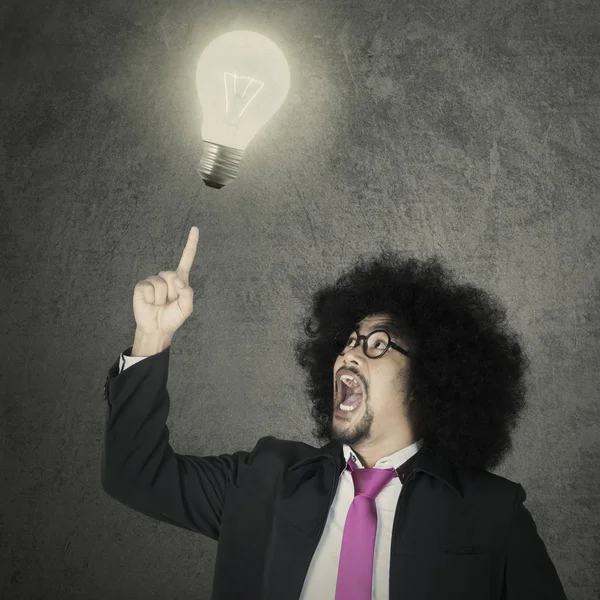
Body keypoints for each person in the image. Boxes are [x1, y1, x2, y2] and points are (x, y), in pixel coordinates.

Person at [102, 226, 568, 600]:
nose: (349, 354)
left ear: (430, 379)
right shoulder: (264, 477)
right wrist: (152, 339)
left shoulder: (492, 513)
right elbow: (133, 474)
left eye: (377, 344)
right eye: (347, 342)